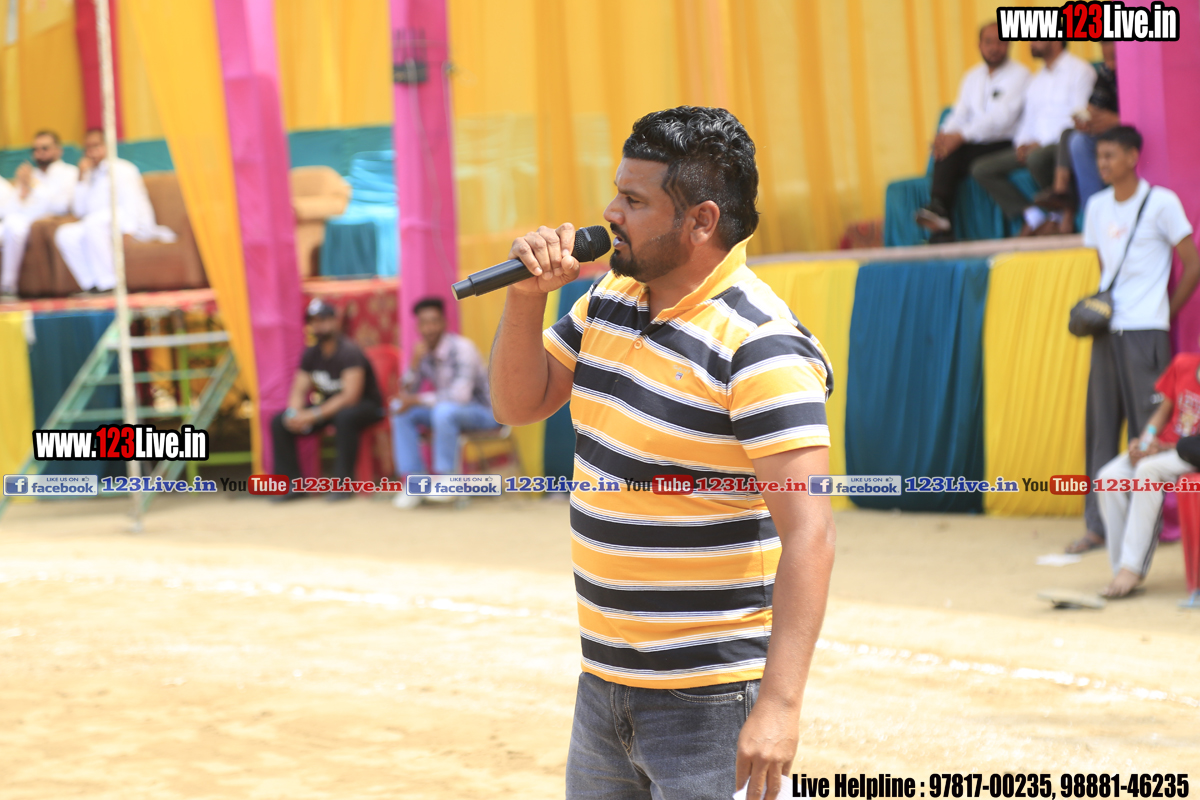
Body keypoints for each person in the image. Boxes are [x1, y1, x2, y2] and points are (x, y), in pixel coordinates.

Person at [489, 106, 837, 800]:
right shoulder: (610, 297)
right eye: (617, 192)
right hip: (604, 685)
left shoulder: (760, 346)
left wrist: (779, 707)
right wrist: (526, 298)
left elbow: (811, 534)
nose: (610, 213)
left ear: (701, 221)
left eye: (635, 200)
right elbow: (518, 404)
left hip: (710, 700)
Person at [1070, 126, 1200, 555]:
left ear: (1132, 157)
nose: (1102, 164)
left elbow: (1192, 264)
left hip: (1147, 331)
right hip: (1107, 329)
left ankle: (1155, 528)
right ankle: (1098, 526)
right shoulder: (1096, 206)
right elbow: (1104, 267)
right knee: (1101, 427)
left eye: (1110, 155)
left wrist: (1165, 312)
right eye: (1099, 157)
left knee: (1151, 431)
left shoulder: (1161, 201)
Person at [1095, 349, 1200, 598]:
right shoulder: (1183, 364)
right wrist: (1143, 443)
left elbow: (1194, 447)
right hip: (1159, 447)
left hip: (1186, 454)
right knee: (1108, 477)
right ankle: (1120, 567)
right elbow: (1163, 412)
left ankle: (1132, 568)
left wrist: (1161, 448)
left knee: (1148, 471)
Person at [915, 22, 1030, 243]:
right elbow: (959, 113)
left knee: (955, 151)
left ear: (1009, 45)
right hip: (973, 143)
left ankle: (940, 220)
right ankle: (940, 216)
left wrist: (959, 137)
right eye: (989, 42)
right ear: (979, 45)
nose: (994, 48)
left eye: (1000, 43)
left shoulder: (1020, 75)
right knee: (947, 149)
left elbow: (1001, 119)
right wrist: (944, 135)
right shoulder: (972, 77)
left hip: (1004, 142)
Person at [971, 41, 1096, 235]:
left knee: (1036, 158)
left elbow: (1078, 119)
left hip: (1061, 144)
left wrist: (1039, 144)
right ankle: (1033, 215)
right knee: (982, 169)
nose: (1031, 43)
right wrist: (1022, 144)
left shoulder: (1081, 71)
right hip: (1033, 147)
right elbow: (1027, 121)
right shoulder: (1036, 80)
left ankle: (1060, 213)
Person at [390, 296, 499, 510]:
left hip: (484, 413)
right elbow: (406, 395)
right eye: (424, 323)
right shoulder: (423, 352)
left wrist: (415, 400)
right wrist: (413, 364)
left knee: (444, 411)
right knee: (399, 410)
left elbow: (461, 396)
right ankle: (416, 483)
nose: (429, 328)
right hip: (446, 413)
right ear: (418, 326)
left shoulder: (463, 348)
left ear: (444, 323)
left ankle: (447, 477)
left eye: (434, 322)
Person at [270, 299, 384, 501]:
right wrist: (294, 414)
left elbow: (350, 396)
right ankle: (291, 485)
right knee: (279, 422)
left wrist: (312, 415)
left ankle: (343, 484)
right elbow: (298, 390)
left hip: (366, 406)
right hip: (330, 408)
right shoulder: (311, 354)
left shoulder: (349, 351)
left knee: (345, 418)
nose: (318, 326)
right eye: (314, 321)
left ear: (334, 321)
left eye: (323, 320)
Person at [53, 128, 175, 295]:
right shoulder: (87, 174)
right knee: (65, 234)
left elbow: (131, 203)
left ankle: (110, 285)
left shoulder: (122, 169)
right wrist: (81, 179)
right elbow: (80, 211)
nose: (91, 152)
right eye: (87, 147)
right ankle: (91, 285)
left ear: (107, 146)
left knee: (93, 223)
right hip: (98, 226)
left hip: (130, 223)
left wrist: (128, 231)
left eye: (96, 146)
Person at [1034, 42, 1120, 233]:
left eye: (1115, 59)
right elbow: (1094, 107)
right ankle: (1092, 217)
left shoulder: (1143, 67)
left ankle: (1064, 200)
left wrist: (1118, 120)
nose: (1110, 65)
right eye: (1106, 58)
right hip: (1107, 131)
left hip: (1130, 128)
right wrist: (1087, 120)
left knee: (1075, 141)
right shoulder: (1106, 72)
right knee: (1074, 136)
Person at [0, 131, 79, 298]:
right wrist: (22, 191)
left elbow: (61, 206)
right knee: (10, 224)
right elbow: (8, 211)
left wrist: (34, 186)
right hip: (18, 221)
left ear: (58, 150)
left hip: (42, 224)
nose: (39, 153)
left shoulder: (69, 173)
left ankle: (8, 286)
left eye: (45, 148)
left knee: (14, 227)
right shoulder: (31, 175)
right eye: (35, 149)